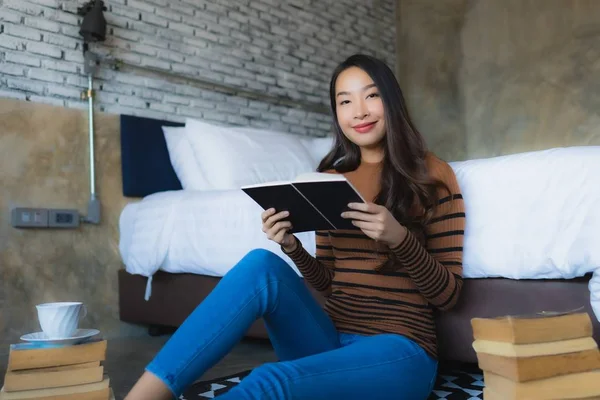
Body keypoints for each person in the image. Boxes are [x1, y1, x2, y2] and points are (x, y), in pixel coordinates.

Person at [125, 54, 466, 400]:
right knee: (261, 265)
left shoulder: (432, 175)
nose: (359, 111)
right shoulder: (331, 179)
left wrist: (399, 238)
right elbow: (329, 283)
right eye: (345, 101)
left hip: (400, 351)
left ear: (391, 101)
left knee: (269, 381)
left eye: (371, 95)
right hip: (329, 341)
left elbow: (448, 295)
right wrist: (292, 247)